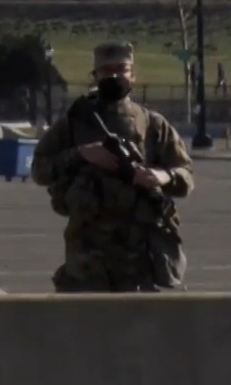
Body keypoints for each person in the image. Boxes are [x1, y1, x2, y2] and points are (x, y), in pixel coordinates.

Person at [31, 43, 193, 293]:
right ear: (95, 76)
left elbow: (185, 176)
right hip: (87, 257)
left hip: (140, 258)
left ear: (133, 75)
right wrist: (81, 154)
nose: (115, 76)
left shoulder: (153, 125)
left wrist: (162, 176)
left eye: (122, 69)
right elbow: (39, 169)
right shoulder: (76, 122)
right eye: (106, 70)